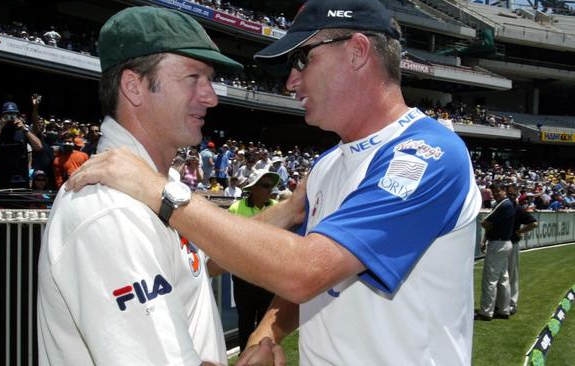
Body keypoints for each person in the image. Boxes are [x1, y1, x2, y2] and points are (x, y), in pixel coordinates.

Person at [66, 0, 481, 364]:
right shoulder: (326, 168)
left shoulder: (427, 155)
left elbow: (306, 271)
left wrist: (160, 191)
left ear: (357, 52)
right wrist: (266, 332)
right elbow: (311, 273)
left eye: (302, 59)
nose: (290, 81)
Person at [36, 7, 281, 366]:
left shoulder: (160, 187)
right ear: (134, 86)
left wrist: (293, 208)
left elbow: (202, 260)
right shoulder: (111, 212)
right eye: (193, 77)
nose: (211, 97)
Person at [228, 170, 279, 351]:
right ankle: (245, 358)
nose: (270, 190)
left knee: (266, 323)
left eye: (271, 186)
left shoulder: (276, 206)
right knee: (246, 322)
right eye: (265, 186)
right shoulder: (236, 208)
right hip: (244, 276)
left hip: (268, 276)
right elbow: (231, 241)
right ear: (254, 188)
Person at [476, 184, 515, 321]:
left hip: (498, 243)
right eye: (494, 192)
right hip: (505, 242)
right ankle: (504, 309)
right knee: (503, 278)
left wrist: (488, 229)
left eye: (498, 191)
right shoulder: (507, 204)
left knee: (490, 280)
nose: (496, 194)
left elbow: (484, 222)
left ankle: (486, 312)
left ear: (504, 191)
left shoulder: (503, 204)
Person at [0, 101, 42, 189]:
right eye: (7, 114)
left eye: (13, 114)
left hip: (20, 179)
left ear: (18, 116)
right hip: (0, 179)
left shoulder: (23, 130)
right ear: (2, 116)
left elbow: (38, 147)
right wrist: (0, 127)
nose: (10, 117)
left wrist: (25, 129)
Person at [504, 184, 538, 315]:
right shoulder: (501, 207)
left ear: (517, 195)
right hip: (501, 244)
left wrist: (520, 231)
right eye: (509, 194)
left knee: (512, 274)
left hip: (513, 243)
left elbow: (534, 223)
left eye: (513, 194)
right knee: (501, 276)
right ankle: (500, 302)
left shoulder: (518, 209)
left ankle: (512, 302)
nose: (511, 196)